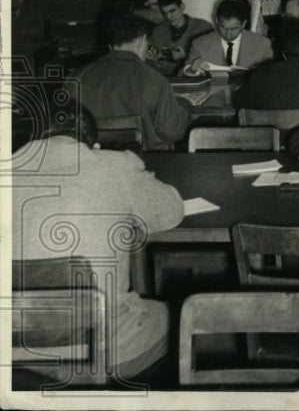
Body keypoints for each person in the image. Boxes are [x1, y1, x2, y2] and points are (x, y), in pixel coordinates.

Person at [12, 103, 184, 383]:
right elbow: (170, 213)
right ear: (92, 142)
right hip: (102, 348)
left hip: (11, 348)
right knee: (183, 317)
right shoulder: (114, 164)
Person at [72, 13, 189, 151]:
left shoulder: (76, 77)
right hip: (147, 163)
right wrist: (183, 106)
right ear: (142, 40)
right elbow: (172, 133)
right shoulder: (155, 80)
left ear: (111, 45)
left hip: (92, 162)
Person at [184, 0, 273, 75]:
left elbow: (272, 76)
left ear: (244, 24)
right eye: (224, 28)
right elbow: (182, 76)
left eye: (234, 29)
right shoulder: (200, 44)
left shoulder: (262, 45)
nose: (228, 34)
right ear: (216, 21)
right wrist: (192, 69)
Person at [147, 0, 213, 76]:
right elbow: (150, 60)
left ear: (182, 7)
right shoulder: (158, 30)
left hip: (192, 78)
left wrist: (185, 58)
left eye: (172, 11)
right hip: (163, 79)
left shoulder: (202, 27)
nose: (169, 17)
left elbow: (212, 61)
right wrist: (153, 58)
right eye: (164, 13)